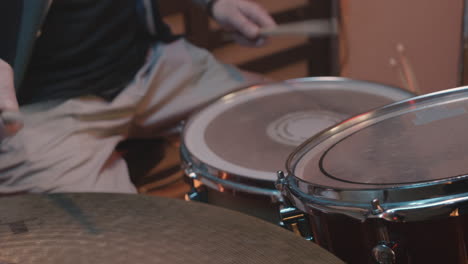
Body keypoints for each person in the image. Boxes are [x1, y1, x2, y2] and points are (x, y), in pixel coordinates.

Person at [0, 0, 276, 194]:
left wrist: (216, 3)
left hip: (149, 62)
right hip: (41, 105)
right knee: (114, 241)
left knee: (283, 123)